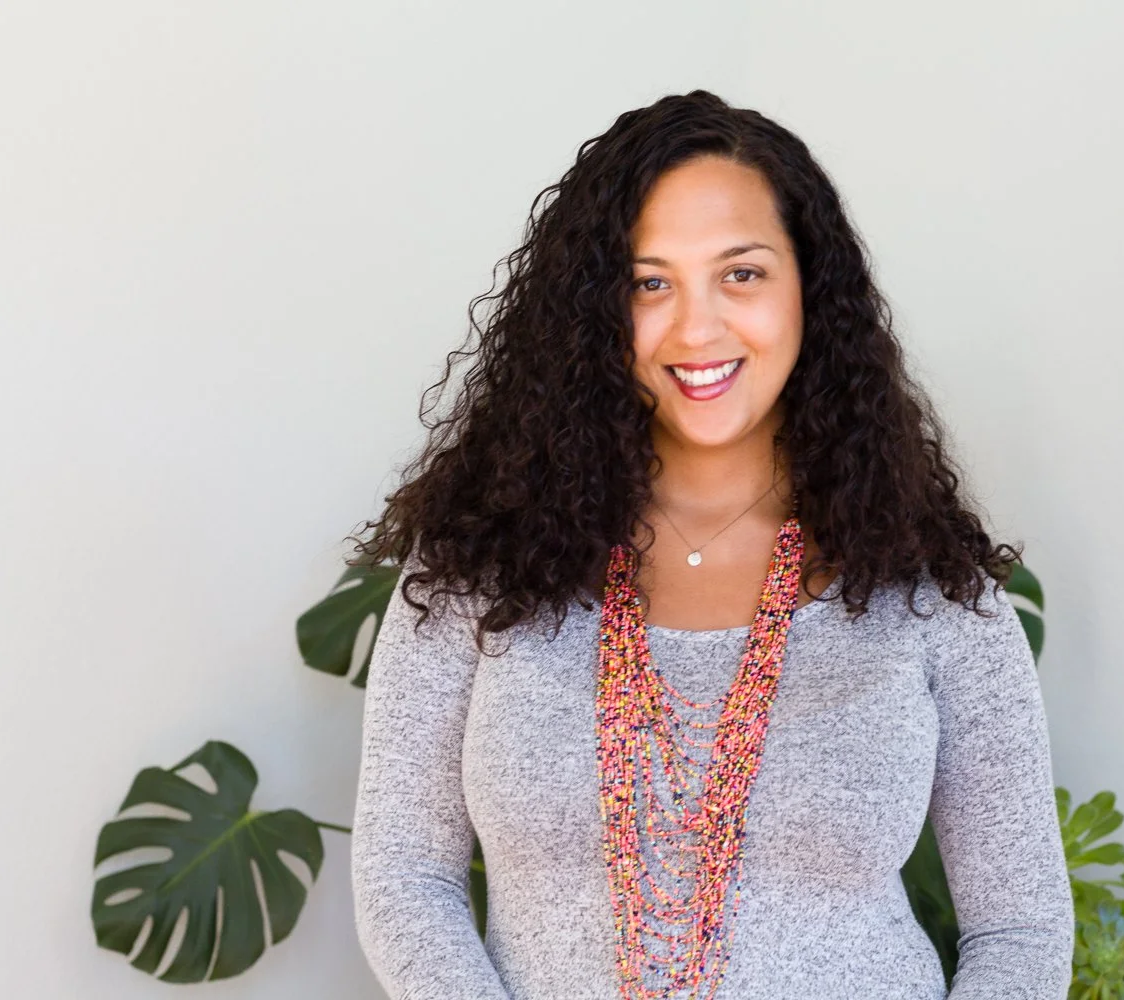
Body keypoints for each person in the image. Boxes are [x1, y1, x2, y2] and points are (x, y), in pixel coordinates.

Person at [347, 89, 1073, 1000]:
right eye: (649, 282)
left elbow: (1022, 928)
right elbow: (405, 881)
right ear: (594, 315)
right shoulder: (476, 569)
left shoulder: (932, 591)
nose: (698, 328)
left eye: (742, 273)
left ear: (811, 284)